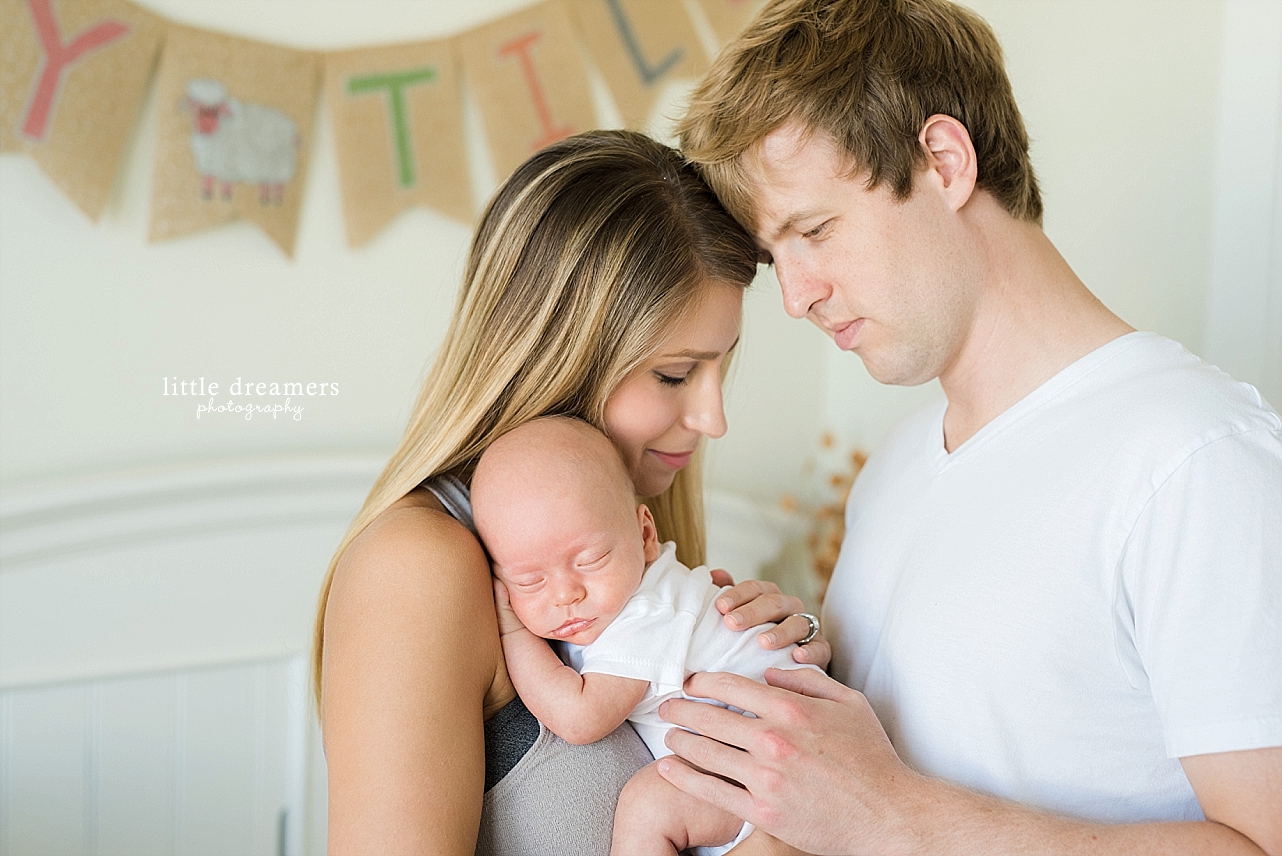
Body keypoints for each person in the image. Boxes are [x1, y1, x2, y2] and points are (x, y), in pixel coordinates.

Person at [652, 1, 1282, 854]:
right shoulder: (897, 470)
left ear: (944, 161)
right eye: (779, 258)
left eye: (816, 230)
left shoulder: (1194, 459)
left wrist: (894, 815)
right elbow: (840, 803)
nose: (796, 297)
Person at [310, 129, 829, 856]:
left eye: (720, 369)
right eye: (677, 375)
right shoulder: (418, 566)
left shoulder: (634, 574)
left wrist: (770, 673)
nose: (713, 419)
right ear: (563, 352)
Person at [472, 416, 822, 856]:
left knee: (649, 805)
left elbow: (580, 717)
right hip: (757, 772)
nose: (566, 594)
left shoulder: (649, 610)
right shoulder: (608, 609)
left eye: (590, 559)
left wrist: (512, 626)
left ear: (645, 535)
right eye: (529, 581)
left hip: (786, 779)